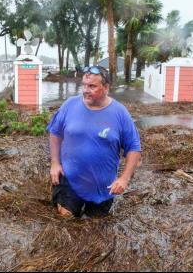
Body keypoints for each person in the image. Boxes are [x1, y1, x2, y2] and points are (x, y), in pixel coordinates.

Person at [46, 65, 141, 218]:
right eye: (84, 85)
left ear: (106, 87)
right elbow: (55, 133)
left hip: (103, 186)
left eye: (92, 86)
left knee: (95, 223)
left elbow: (134, 147)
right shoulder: (69, 105)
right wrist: (55, 163)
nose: (85, 90)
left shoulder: (120, 113)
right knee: (66, 217)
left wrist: (124, 178)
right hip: (70, 178)